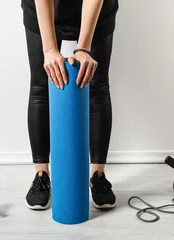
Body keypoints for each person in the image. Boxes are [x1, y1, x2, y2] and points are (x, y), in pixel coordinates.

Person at [21, 0, 119, 210]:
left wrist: (83, 48)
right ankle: (41, 175)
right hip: (44, 8)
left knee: (97, 85)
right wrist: (49, 50)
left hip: (97, 10)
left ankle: (97, 174)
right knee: (40, 86)